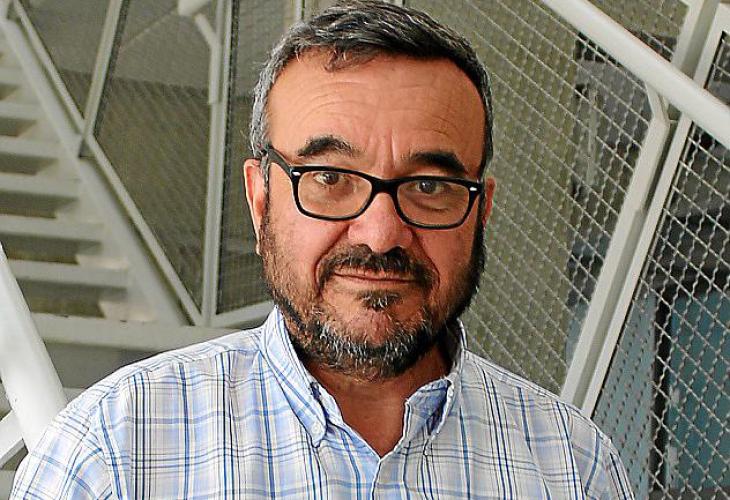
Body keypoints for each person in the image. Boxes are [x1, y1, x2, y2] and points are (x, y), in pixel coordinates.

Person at [12, 1, 634, 498]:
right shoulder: (114, 454)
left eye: (428, 186)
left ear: (481, 208)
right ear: (260, 199)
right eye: (330, 178)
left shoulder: (573, 467)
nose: (381, 234)